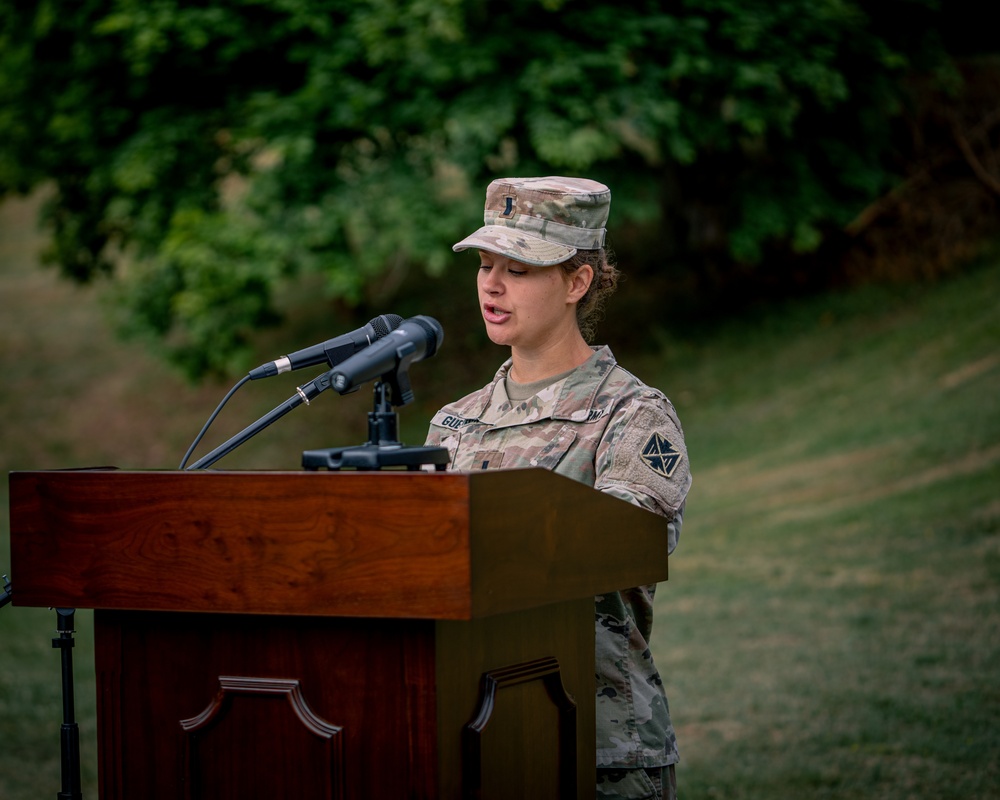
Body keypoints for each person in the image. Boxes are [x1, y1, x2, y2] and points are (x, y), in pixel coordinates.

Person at [424, 176, 692, 800]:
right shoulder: (454, 421)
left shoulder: (631, 416)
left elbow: (626, 548)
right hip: (477, 737)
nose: (491, 284)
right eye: (487, 264)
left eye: (518, 268)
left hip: (599, 747)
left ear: (577, 282)